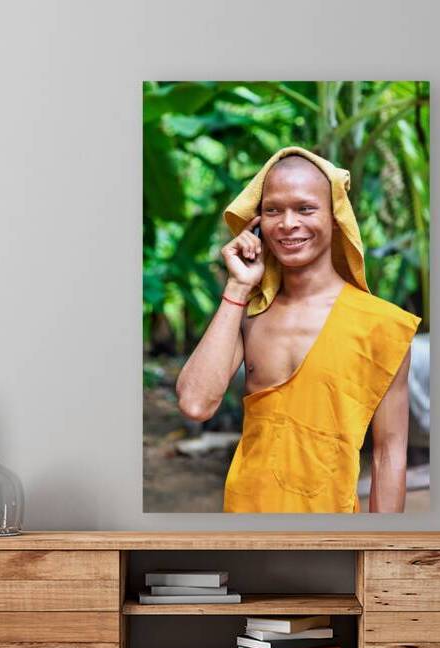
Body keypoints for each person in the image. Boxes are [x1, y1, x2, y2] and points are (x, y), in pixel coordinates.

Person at [176, 146, 421, 513]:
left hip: (333, 529)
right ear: (257, 223)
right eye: (273, 210)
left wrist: (381, 551)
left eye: (305, 209)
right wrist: (238, 287)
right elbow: (195, 404)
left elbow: (389, 453)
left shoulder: (382, 326)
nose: (287, 223)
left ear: (336, 216)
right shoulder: (250, 313)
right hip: (245, 522)